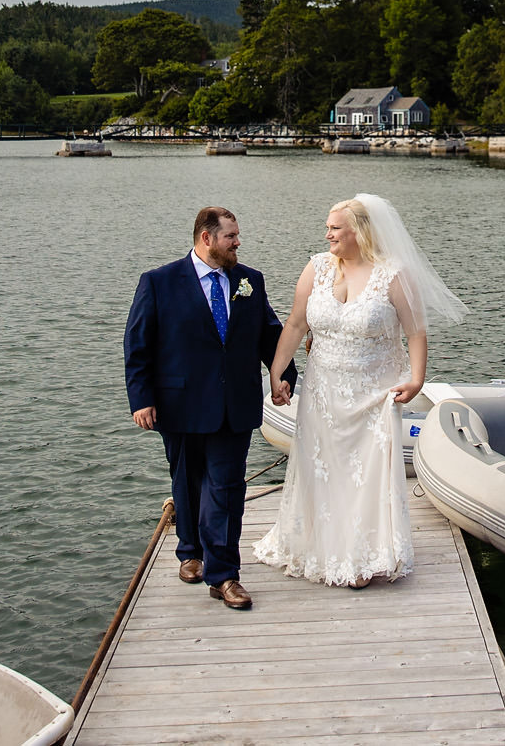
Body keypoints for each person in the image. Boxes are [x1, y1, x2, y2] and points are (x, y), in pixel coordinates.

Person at [253, 193, 466, 589]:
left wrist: (417, 378)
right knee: (323, 469)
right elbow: (296, 324)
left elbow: (416, 332)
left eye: (335, 227)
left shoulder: (394, 274)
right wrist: (277, 371)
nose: (327, 233)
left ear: (359, 232)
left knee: (364, 474)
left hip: (372, 393)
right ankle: (318, 545)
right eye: (329, 227)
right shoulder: (316, 267)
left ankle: (362, 555)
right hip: (321, 391)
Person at [125, 206, 294, 611]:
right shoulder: (159, 282)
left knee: (227, 488)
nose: (238, 243)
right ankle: (190, 551)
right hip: (179, 402)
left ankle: (224, 576)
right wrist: (141, 398)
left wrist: (285, 374)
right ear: (206, 238)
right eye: (230, 237)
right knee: (187, 482)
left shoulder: (249, 281)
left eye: (237, 236)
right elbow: (138, 346)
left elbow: (270, 334)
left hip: (234, 403)